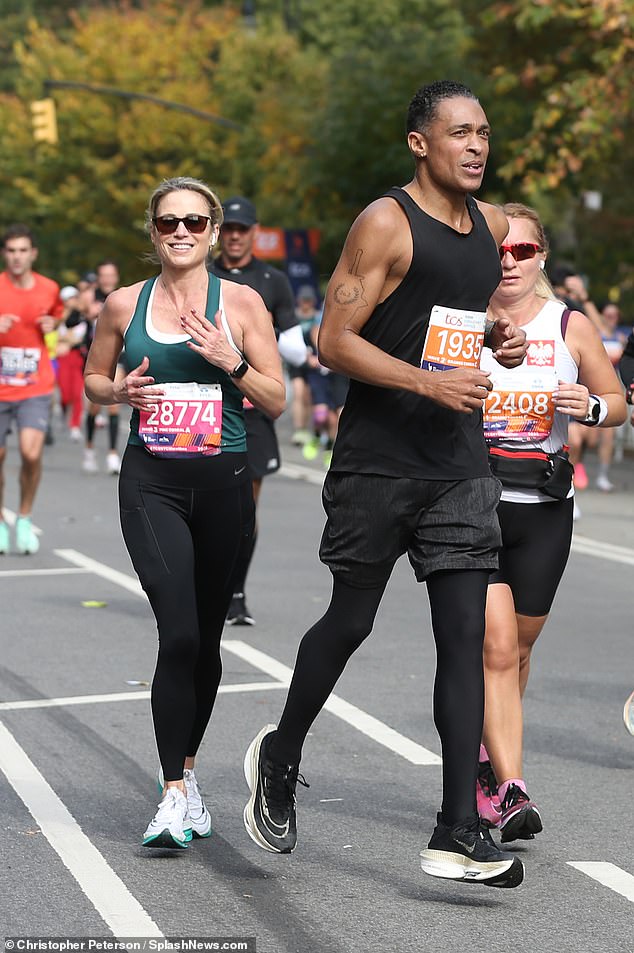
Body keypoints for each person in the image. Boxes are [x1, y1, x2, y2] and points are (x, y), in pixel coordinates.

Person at [243, 80, 529, 888]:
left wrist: (498, 336)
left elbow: (460, 319)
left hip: (459, 465)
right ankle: (283, 751)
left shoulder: (492, 227)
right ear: (420, 143)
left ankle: (457, 828)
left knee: (463, 634)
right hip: (378, 460)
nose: (476, 146)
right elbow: (335, 340)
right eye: (460, 133)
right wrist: (428, 383)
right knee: (351, 619)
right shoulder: (385, 222)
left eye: (484, 133)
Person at [84, 176, 285, 849]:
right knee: (176, 633)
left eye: (195, 222)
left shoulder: (245, 303)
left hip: (224, 484)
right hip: (152, 484)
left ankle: (190, 776)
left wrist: (231, 362)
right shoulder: (122, 304)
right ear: (152, 229)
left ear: (212, 228)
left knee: (204, 638)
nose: (181, 232)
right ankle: (173, 791)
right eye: (169, 221)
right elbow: (92, 379)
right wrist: (118, 392)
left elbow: (277, 398)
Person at [476, 203, 626, 841]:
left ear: (542, 258)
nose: (510, 264)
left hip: (544, 507)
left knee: (521, 649)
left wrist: (588, 404)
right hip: (472, 503)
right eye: (500, 252)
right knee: (496, 646)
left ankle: (488, 762)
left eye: (524, 252)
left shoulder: (570, 324)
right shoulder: (460, 321)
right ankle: (510, 786)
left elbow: (618, 402)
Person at [210, 196, 307, 626]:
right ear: (218, 232)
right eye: (227, 228)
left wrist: (261, 327)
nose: (234, 236)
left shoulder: (273, 280)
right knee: (205, 503)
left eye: (241, 229)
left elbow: (296, 352)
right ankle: (203, 587)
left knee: (244, 510)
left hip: (253, 408)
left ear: (254, 232)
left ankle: (235, 592)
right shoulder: (202, 275)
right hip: (205, 406)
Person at [0, 224, 64, 554]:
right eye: (11, 250)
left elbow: (56, 321)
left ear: (33, 254)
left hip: (35, 384)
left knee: (30, 452)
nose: (17, 257)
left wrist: (53, 326)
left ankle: (23, 517)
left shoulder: (49, 289)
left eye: (23, 250)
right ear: (4, 254)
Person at [83, 260, 124, 475]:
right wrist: (87, 313)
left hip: (120, 356)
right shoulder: (90, 296)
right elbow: (71, 322)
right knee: (95, 406)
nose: (107, 279)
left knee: (115, 402)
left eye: (111, 275)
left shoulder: (121, 298)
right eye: (104, 275)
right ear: (99, 277)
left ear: (116, 277)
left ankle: (112, 454)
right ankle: (89, 448)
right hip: (95, 356)